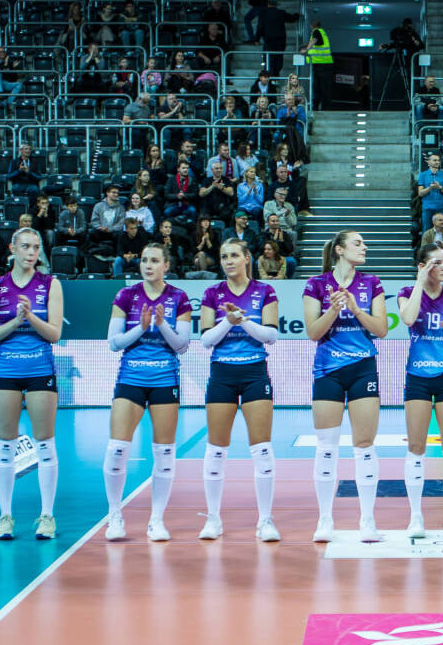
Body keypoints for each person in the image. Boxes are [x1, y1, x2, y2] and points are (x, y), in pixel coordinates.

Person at [103, 243, 193, 542]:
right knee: (117, 448)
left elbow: (182, 345)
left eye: (154, 260)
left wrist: (162, 324)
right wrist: (141, 328)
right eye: (144, 260)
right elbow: (114, 343)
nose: (148, 265)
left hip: (165, 379)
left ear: (166, 265)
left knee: (164, 452)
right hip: (131, 377)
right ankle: (115, 515)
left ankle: (156, 520)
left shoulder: (179, 297)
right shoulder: (126, 296)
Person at [303, 230, 389, 542]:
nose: (364, 247)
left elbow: (382, 329)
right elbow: (313, 332)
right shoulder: (316, 284)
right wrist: (333, 310)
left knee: (364, 445)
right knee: (326, 447)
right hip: (328, 370)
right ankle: (325, 520)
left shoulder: (372, 283)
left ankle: (367, 521)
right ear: (340, 250)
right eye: (358, 243)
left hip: (363, 368)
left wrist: (355, 309)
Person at [0, 228, 64, 542]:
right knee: (5, 446)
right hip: (6, 370)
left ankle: (47, 517)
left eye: (36, 247)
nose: (31, 252)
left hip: (40, 368)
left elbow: (54, 334)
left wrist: (30, 317)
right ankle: (5, 518)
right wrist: (15, 322)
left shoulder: (50, 284)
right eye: (25, 246)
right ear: (13, 249)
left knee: (45, 444)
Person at [197, 239, 282, 542]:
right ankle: (213, 519)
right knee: (216, 449)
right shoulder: (212, 293)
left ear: (247, 258)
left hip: (254, 372)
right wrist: (227, 321)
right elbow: (206, 340)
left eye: (234, 255)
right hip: (222, 373)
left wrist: (242, 320)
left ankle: (265, 521)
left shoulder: (265, 291)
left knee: (262, 449)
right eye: (224, 256)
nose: (228, 260)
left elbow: (271, 336)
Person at [399, 247, 443, 538]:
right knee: (416, 447)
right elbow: (407, 319)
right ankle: (416, 517)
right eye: (436, 263)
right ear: (423, 266)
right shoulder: (407, 292)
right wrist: (419, 282)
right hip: (417, 376)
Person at [302, 22, 334, 109]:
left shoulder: (316, 31)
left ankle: (322, 108)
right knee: (321, 88)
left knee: (321, 88)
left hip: (322, 65)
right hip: (323, 65)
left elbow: (314, 40)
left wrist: (306, 50)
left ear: (312, 26)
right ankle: (320, 107)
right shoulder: (322, 33)